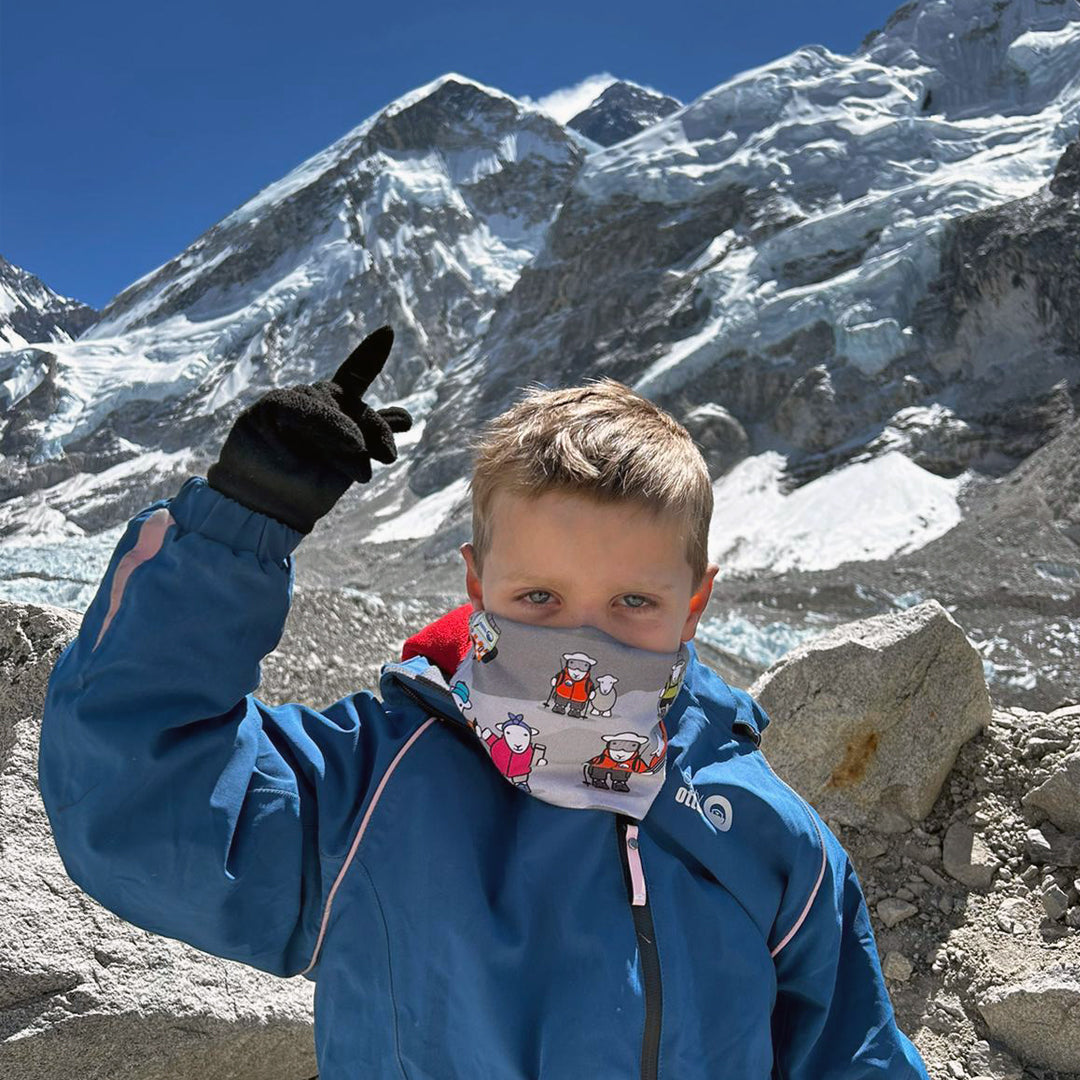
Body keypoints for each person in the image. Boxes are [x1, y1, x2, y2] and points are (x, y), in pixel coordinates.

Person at [39, 325, 931, 1079]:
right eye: (539, 599)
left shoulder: (763, 832)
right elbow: (141, 801)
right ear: (476, 584)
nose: (584, 645)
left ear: (694, 601)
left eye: (632, 603)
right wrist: (241, 522)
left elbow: (851, 1055)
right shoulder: (375, 785)